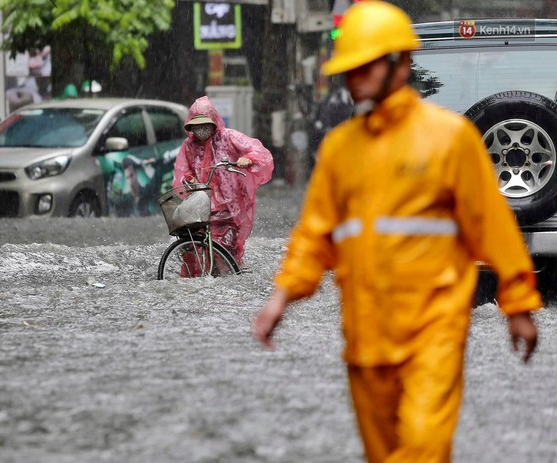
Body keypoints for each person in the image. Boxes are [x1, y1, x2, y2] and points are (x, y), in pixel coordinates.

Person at [252, 2, 541, 463]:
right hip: (365, 339)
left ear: (401, 64)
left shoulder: (450, 138)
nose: (356, 78)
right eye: (350, 69)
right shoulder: (341, 150)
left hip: (435, 329)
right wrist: (280, 297)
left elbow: (492, 225)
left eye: (367, 66)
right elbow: (315, 234)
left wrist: (519, 305)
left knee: (424, 447)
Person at [173, 96, 274, 265]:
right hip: (201, 204)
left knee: (228, 248)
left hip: (229, 205)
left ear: (213, 123)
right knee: (192, 248)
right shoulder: (189, 145)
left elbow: (259, 152)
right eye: (196, 126)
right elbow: (182, 172)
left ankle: (233, 269)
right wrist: (188, 180)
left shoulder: (228, 137)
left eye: (204, 125)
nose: (200, 130)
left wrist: (248, 159)